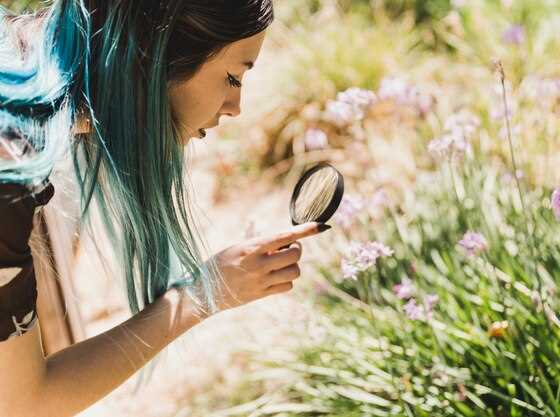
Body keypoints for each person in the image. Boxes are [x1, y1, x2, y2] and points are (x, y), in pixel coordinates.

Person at [0, 1, 331, 416]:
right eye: (232, 77)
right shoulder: (8, 160)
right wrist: (200, 295)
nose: (235, 106)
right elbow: (25, 402)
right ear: (154, 51)